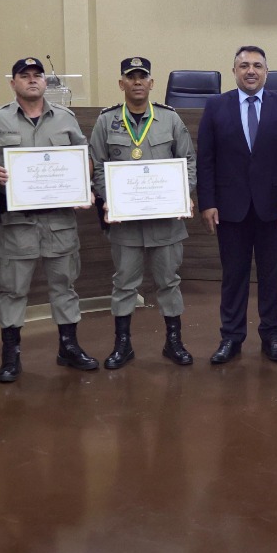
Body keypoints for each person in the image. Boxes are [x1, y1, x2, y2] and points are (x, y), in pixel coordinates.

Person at [0, 57, 98, 382]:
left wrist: (83, 185)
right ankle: (10, 356)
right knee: (13, 290)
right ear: (13, 82)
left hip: (59, 223)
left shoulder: (65, 119)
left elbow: (85, 158)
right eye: (24, 76)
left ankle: (68, 347)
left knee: (64, 286)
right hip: (17, 224)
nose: (31, 80)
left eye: (37, 76)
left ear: (45, 82)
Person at [197, 45, 277, 364]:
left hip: (275, 209)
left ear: (266, 72)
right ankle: (231, 337)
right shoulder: (216, 106)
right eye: (244, 65)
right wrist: (208, 202)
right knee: (234, 275)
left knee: (273, 275)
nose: (251, 71)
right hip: (229, 208)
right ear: (234, 71)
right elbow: (206, 159)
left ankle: (272, 336)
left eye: (257, 65)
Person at [89, 56, 198, 368]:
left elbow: (188, 161)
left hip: (165, 222)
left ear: (152, 83)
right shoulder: (105, 121)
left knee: (169, 282)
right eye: (131, 77)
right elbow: (97, 166)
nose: (137, 82)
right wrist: (107, 197)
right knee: (124, 284)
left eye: (142, 77)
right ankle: (123, 345)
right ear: (121, 83)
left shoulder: (170, 120)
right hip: (125, 224)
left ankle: (173, 342)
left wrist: (184, 193)